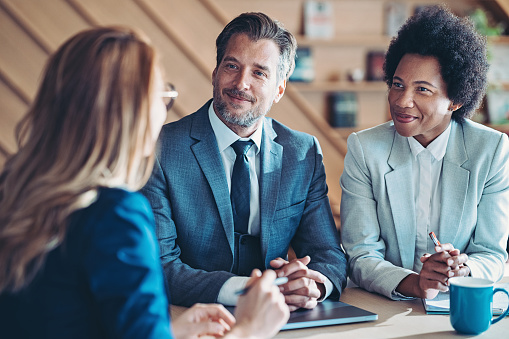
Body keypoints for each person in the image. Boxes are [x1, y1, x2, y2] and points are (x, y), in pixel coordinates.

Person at [0, 26, 289, 339]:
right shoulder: (115, 215)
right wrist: (250, 330)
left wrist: (164, 331)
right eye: (161, 95)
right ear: (133, 112)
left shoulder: (13, 185)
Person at [141, 12, 347, 311]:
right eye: (232, 66)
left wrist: (312, 285)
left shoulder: (302, 152)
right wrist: (251, 290)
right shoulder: (160, 149)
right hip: (190, 316)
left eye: (259, 73)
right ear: (215, 72)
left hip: (284, 318)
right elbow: (160, 266)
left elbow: (328, 254)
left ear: (279, 89)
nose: (241, 83)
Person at [340, 5, 509, 301]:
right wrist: (417, 283)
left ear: (455, 100)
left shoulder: (491, 150)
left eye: (423, 90)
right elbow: (360, 254)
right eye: (397, 85)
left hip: (458, 302)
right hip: (384, 303)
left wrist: (462, 268)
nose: (402, 101)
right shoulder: (365, 149)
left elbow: (492, 253)